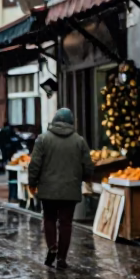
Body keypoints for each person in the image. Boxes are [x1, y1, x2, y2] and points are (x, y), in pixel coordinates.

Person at [26, 108, 94, 269]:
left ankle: (52, 247)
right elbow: (88, 167)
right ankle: (62, 258)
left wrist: (32, 183)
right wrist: (84, 178)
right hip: (70, 190)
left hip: (48, 190)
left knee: (49, 219)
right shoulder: (79, 141)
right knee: (66, 223)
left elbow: (34, 164)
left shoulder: (43, 139)